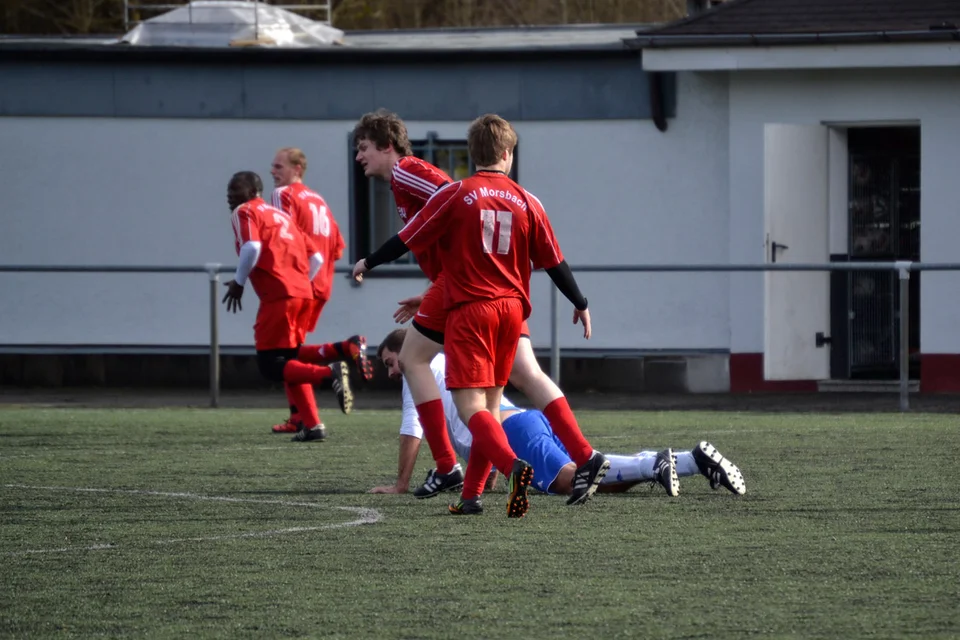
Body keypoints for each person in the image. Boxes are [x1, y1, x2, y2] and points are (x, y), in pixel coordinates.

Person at [354, 114, 609, 518]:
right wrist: (580, 301)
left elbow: (407, 238)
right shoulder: (528, 200)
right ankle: (475, 494)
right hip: (513, 309)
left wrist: (369, 261)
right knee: (497, 398)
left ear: (472, 153)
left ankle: (499, 467)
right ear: (508, 153)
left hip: (471, 307)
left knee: (467, 404)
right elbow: (554, 261)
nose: (359, 155)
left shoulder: (455, 192)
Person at [371, 328, 747, 507]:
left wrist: (401, 484)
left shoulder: (416, 367)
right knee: (588, 476)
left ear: (405, 351)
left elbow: (413, 429)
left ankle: (659, 464)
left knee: (572, 480)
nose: (393, 371)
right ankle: (684, 461)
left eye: (391, 362)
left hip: (516, 431)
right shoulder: (449, 357)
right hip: (521, 423)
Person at [222, 171, 351, 443]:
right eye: (228, 191)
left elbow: (251, 247)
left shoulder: (245, 211)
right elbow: (316, 258)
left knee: (271, 366)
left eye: (235, 190)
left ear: (252, 191)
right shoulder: (281, 215)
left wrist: (238, 283)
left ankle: (328, 373)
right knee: (290, 361)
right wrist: (300, 283)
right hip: (303, 293)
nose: (230, 196)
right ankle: (313, 425)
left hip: (280, 296)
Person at [267, 147, 373, 434]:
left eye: (278, 166)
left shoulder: (283, 195)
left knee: (283, 356)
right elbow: (338, 248)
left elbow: (283, 236)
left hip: (297, 284)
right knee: (291, 351)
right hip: (322, 283)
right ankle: (300, 416)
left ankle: (310, 420)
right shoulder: (318, 200)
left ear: (297, 169)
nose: (272, 171)